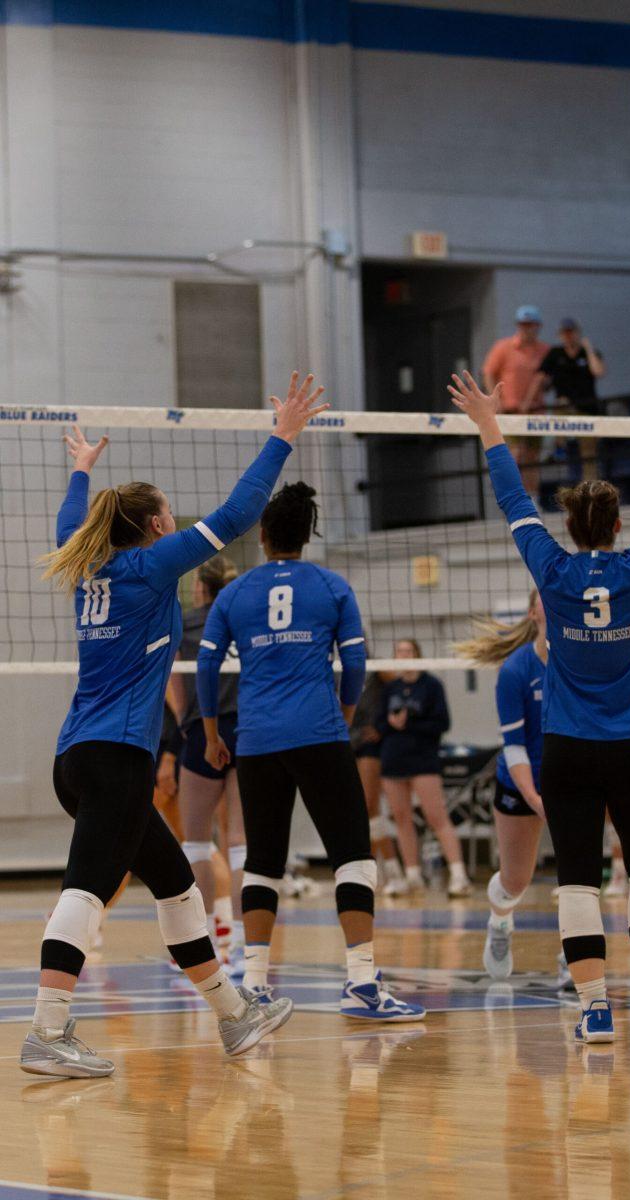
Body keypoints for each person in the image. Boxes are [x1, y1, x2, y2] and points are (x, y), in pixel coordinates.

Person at [23, 371, 323, 1077]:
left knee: (177, 887)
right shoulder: (152, 568)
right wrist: (282, 437)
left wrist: (79, 470)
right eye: (167, 511)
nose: (175, 517)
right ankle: (48, 1030)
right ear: (157, 524)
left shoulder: (88, 565)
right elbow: (240, 510)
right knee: (87, 887)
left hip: (79, 757)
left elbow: (71, 523)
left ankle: (233, 1016)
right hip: (119, 755)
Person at [449, 361, 630, 1044]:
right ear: (620, 524)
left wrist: (488, 425)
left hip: (566, 750)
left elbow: (512, 499)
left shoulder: (552, 569)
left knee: (576, 880)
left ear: (567, 527)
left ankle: (594, 1006)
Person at [198, 483, 425, 1024]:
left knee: (263, 860)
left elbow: (206, 667)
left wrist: (211, 734)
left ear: (263, 534)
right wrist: (346, 715)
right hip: (320, 734)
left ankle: (252, 984)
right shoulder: (331, 586)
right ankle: (362, 983)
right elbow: (357, 665)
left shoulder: (234, 594)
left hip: (256, 740)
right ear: (307, 536)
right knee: (353, 855)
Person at [455, 590, 549, 979]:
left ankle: (574, 960)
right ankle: (500, 922)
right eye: (545, 595)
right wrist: (533, 797)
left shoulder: (582, 664)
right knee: (515, 881)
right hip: (521, 783)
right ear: (532, 612)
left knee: (584, 877)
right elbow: (514, 747)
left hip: (571, 781)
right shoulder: (516, 670)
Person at [167, 556, 247, 972]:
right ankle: (244, 949)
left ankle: (206, 947)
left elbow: (172, 678)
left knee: (197, 842)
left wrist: (184, 721)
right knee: (239, 843)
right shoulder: (243, 617)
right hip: (247, 730)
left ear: (200, 588)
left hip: (203, 729)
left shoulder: (186, 622)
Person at [376, 640, 470, 898]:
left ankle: (458, 874)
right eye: (399, 651)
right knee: (401, 818)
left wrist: (410, 723)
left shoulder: (431, 685)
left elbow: (442, 723)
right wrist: (392, 723)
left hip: (423, 759)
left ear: (417, 655)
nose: (403, 655)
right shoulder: (390, 689)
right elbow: (379, 724)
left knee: (436, 816)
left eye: (408, 651)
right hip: (393, 759)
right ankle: (412, 875)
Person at [527, 318, 606, 483]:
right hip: (564, 407)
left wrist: (588, 348)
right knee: (559, 405)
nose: (568, 336)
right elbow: (539, 378)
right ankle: (557, 446)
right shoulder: (555, 354)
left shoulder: (589, 353)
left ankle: (590, 488)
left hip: (587, 408)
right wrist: (528, 402)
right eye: (565, 333)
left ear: (578, 333)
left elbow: (598, 372)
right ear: (560, 335)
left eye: (571, 332)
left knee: (589, 455)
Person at [483, 305, 551, 497]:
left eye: (529, 324)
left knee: (532, 458)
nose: (525, 328)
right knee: (514, 454)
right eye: (522, 324)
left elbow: (547, 379)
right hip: (510, 411)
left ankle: (533, 499)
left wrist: (544, 384)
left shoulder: (544, 350)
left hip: (535, 412)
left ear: (537, 326)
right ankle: (509, 493)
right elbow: (488, 373)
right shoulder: (503, 347)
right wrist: (496, 401)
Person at [351, 668, 407, 894]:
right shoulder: (331, 666)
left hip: (367, 743)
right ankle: (374, 872)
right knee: (363, 812)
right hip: (345, 738)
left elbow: (401, 684)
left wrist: (382, 725)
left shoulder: (375, 669)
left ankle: (393, 872)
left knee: (368, 806)